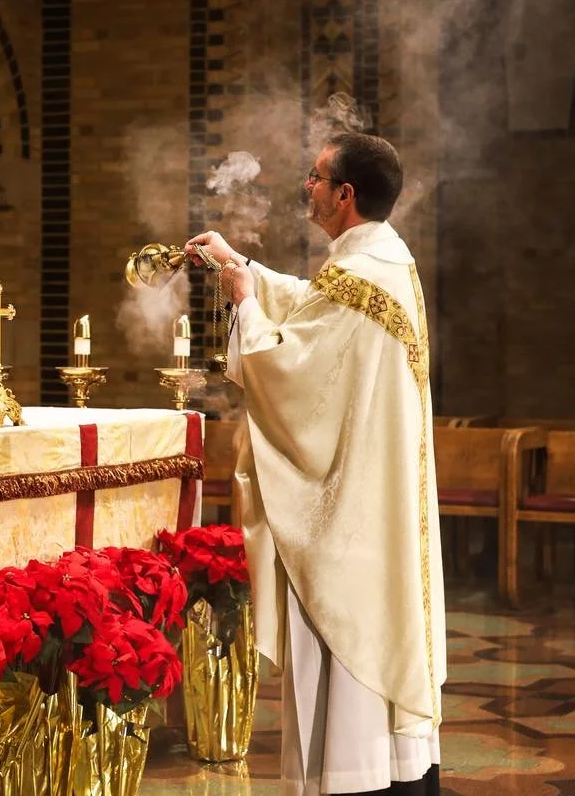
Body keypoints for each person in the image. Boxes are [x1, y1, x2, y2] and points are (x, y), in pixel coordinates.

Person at [186, 131, 445, 796]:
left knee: (349, 638)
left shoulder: (363, 274)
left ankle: (356, 779)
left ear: (345, 194)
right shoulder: (385, 260)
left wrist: (243, 301)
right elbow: (315, 308)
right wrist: (239, 263)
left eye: (315, 176)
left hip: (349, 513)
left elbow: (293, 369)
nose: (307, 185)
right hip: (375, 501)